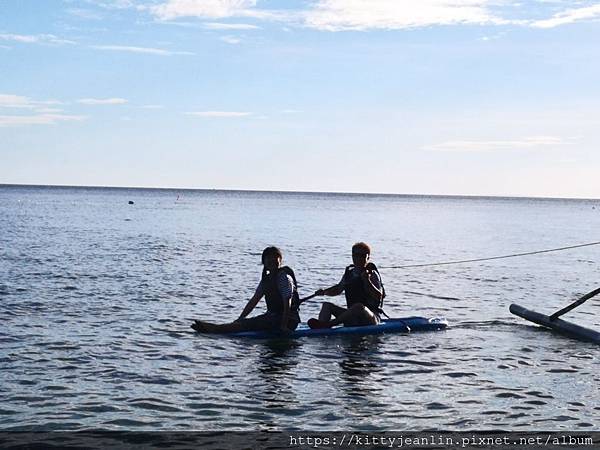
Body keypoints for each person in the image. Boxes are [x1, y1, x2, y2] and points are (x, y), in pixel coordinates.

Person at [191, 246, 301, 334]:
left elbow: (288, 303)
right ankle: (218, 328)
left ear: (280, 261)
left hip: (289, 320)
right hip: (272, 316)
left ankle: (215, 329)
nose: (272, 260)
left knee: (250, 324)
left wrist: (284, 326)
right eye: (268, 258)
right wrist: (240, 318)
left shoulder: (283, 278)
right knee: (246, 322)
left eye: (275, 257)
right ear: (264, 263)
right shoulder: (266, 280)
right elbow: (254, 301)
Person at [308, 242, 384, 329]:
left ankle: (329, 324)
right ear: (352, 256)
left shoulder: (372, 274)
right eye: (356, 255)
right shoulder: (349, 274)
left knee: (358, 306)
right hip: (352, 315)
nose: (359, 258)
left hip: (370, 317)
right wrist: (324, 292)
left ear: (368, 258)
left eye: (362, 256)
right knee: (326, 305)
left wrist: (367, 281)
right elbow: (338, 289)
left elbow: (378, 297)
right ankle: (321, 328)